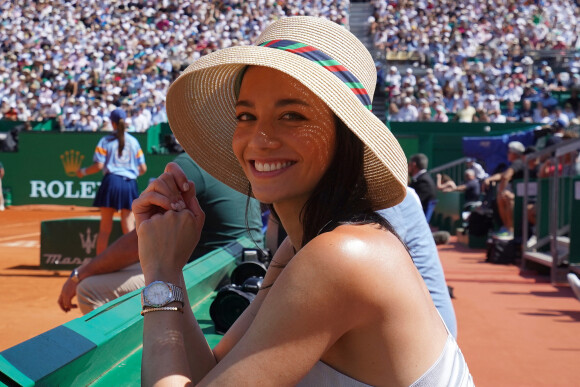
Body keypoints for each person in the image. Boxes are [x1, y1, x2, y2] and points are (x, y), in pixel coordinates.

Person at [133, 17, 472, 386]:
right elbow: (209, 373)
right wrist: (168, 275)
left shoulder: (341, 257)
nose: (259, 140)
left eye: (292, 116)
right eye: (246, 116)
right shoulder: (299, 250)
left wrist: (161, 273)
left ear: (346, 136)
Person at [58, 153, 264, 314]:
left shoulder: (192, 164)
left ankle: (135, 353)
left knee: (88, 289)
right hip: (243, 269)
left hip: (210, 280)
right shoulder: (233, 163)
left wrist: (80, 274)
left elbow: (140, 239)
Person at [76, 108, 147, 255]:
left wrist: (82, 172)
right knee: (129, 228)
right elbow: (143, 168)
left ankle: (98, 267)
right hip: (129, 184)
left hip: (111, 182)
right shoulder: (134, 142)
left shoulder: (105, 141)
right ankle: (137, 264)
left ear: (112, 123)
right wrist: (130, 173)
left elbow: (99, 165)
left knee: (104, 229)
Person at [483, 141, 527, 239]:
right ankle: (507, 228)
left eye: (509, 152)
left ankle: (510, 229)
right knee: (502, 197)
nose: (507, 154)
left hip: (524, 196)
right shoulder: (514, 163)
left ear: (514, 153)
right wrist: (490, 179)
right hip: (518, 194)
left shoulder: (518, 162)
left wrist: (501, 191)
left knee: (505, 196)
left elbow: (506, 176)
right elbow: (502, 175)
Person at [408, 153, 437, 217]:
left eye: (409, 164)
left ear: (414, 165)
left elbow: (412, 203)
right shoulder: (424, 179)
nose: (407, 167)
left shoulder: (423, 182)